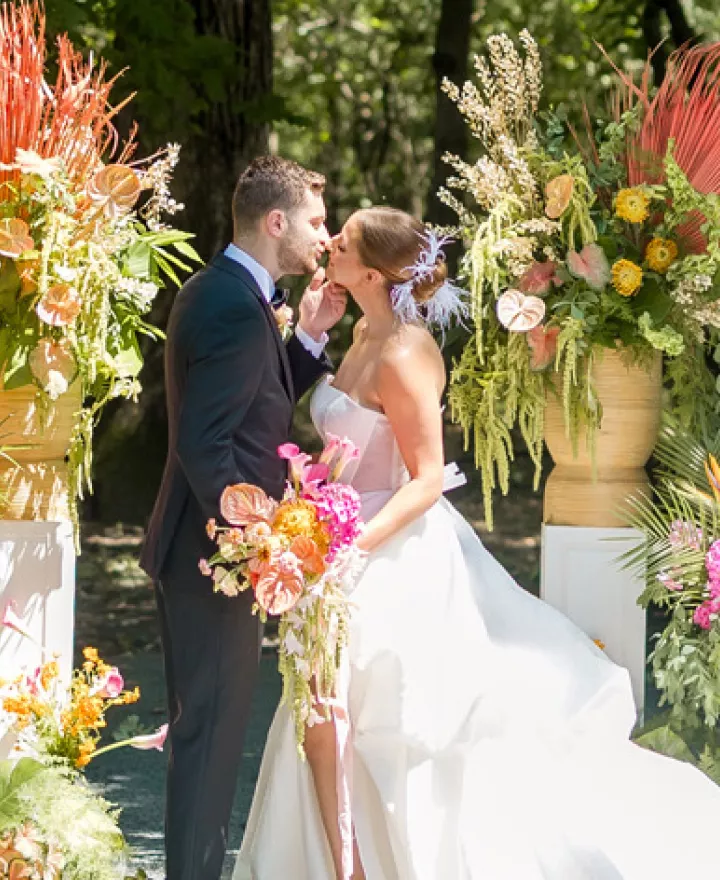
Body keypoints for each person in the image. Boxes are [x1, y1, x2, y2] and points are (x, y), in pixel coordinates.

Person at [234, 206, 720, 880]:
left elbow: (427, 477)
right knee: (319, 705)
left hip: (385, 547)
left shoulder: (405, 353)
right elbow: (343, 445)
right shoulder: (363, 333)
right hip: (331, 539)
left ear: (372, 273)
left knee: (389, 719)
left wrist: (352, 545)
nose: (329, 245)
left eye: (343, 242)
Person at [139, 156, 347, 880]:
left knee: (210, 738)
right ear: (276, 221)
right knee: (210, 741)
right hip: (213, 560)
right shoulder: (232, 304)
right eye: (316, 221)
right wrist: (255, 546)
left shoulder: (227, 291)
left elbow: (255, 401)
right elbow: (206, 445)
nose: (325, 236)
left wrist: (307, 339)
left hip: (202, 551)